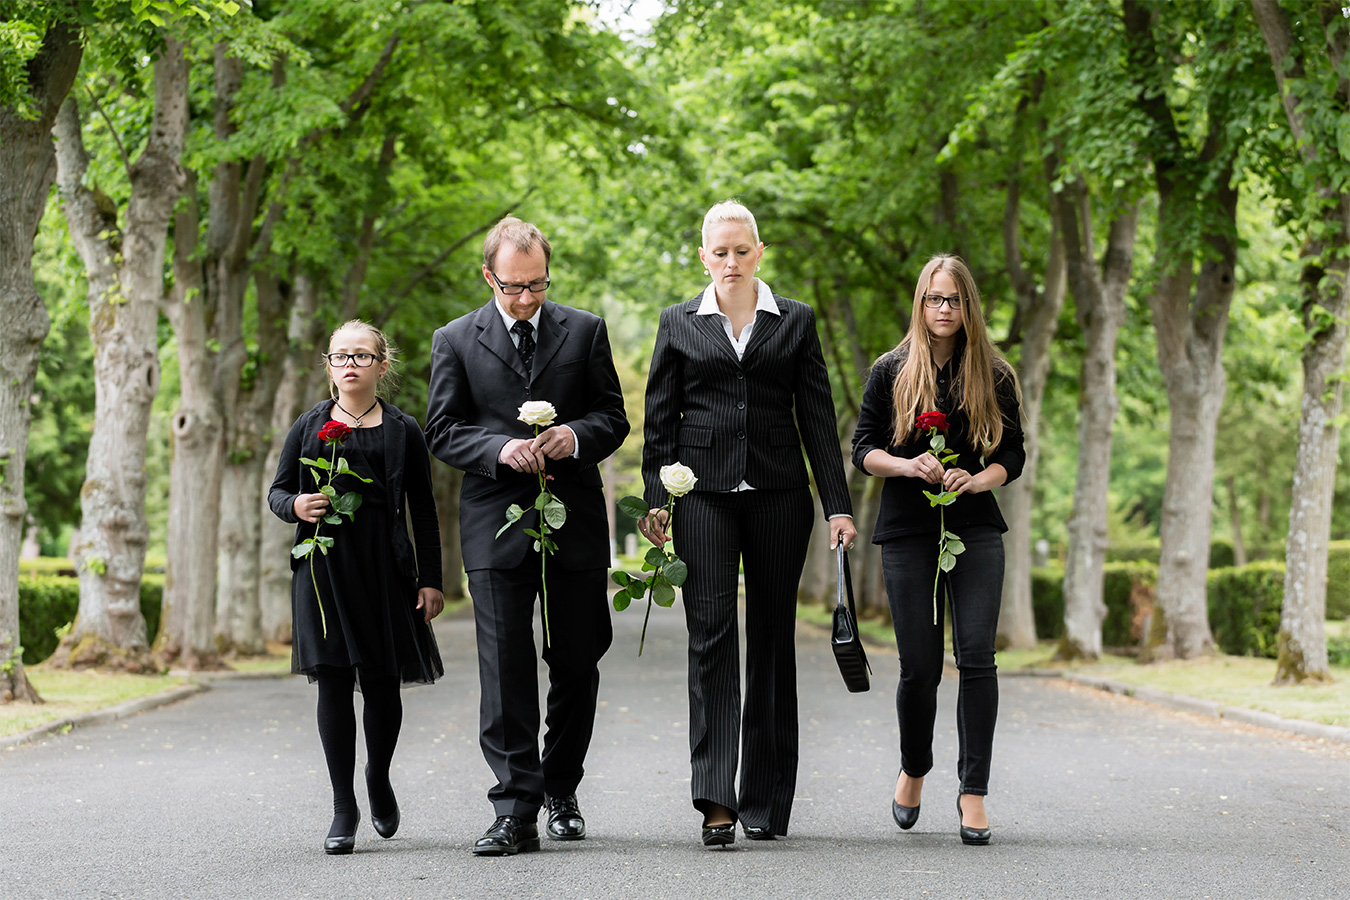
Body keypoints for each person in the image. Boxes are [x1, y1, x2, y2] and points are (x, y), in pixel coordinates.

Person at [640, 200, 856, 847]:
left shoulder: (795, 322)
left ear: (759, 251)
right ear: (703, 256)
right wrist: (658, 497)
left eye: (742, 250)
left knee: (770, 639)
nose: (730, 262)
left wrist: (837, 505)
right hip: (702, 496)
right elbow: (660, 419)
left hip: (778, 496)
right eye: (719, 252)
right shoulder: (677, 323)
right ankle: (715, 798)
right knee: (709, 635)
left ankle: (764, 800)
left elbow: (817, 416)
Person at [426, 216, 629, 856]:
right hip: (493, 522)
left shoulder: (586, 330)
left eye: (537, 285)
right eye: (513, 286)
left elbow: (613, 417)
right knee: (505, 665)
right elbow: (442, 429)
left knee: (577, 657)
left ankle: (561, 788)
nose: (526, 298)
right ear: (490, 276)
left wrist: (576, 437)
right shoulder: (454, 339)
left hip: (573, 516)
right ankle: (514, 808)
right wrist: (500, 447)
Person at [850, 254, 1024, 846]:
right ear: (920, 302)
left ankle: (973, 791)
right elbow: (863, 449)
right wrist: (906, 465)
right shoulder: (890, 370)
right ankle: (914, 768)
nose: (943, 310)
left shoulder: (994, 375)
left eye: (954, 300)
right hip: (907, 531)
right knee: (920, 667)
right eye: (934, 298)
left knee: (977, 658)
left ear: (968, 306)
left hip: (974, 528)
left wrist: (979, 479)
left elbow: (1014, 455)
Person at [268, 319, 445, 855]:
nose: (350, 364)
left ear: (381, 366)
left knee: (384, 682)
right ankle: (343, 805)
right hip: (323, 570)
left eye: (362, 356)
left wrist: (432, 580)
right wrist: (297, 505)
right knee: (333, 681)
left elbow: (424, 510)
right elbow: (278, 493)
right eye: (340, 356)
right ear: (328, 365)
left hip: (385, 570)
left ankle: (378, 777)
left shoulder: (403, 429)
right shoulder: (307, 426)